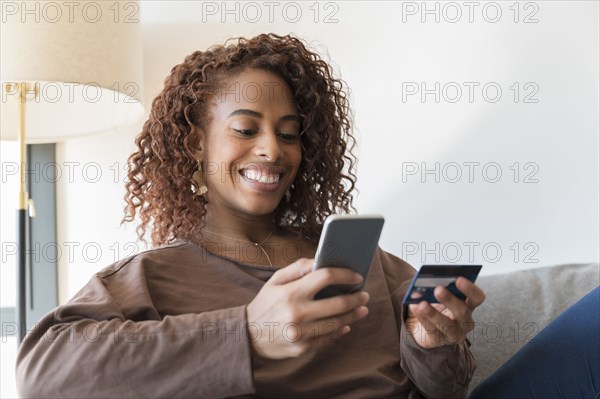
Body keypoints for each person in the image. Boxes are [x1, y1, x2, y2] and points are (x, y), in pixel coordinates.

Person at [16, 33, 486, 398]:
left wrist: (433, 343)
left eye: (289, 134)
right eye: (245, 128)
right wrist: (248, 333)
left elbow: (446, 390)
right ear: (196, 142)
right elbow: (44, 375)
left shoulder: (367, 262)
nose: (271, 150)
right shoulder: (150, 277)